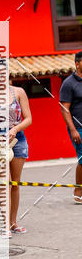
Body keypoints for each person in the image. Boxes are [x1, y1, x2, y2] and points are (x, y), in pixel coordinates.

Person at [7, 81, 31, 233]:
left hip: (18, 139)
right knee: (5, 184)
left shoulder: (19, 92)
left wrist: (15, 129)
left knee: (15, 184)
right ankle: (3, 225)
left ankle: (13, 222)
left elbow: (28, 118)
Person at [59, 50, 82, 203]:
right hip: (79, 128)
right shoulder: (68, 83)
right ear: (77, 63)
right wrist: (73, 129)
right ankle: (78, 189)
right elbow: (64, 108)